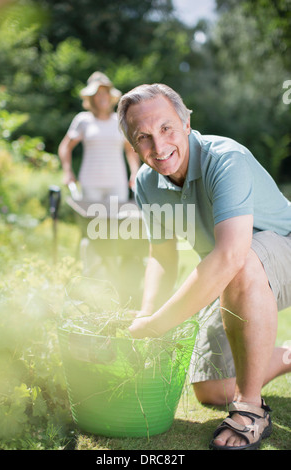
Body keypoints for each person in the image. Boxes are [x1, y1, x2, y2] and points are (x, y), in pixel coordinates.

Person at [117, 83, 291, 450]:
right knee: (212, 390)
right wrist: (149, 314)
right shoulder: (147, 184)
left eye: (166, 128)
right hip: (236, 277)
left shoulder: (226, 158)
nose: (159, 146)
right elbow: (162, 258)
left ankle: (251, 410)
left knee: (238, 261)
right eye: (143, 137)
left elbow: (230, 254)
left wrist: (159, 324)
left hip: (282, 251)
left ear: (186, 122)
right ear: (132, 145)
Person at [58, 71, 140, 202]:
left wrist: (135, 173)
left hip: (117, 183)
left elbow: (130, 150)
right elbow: (65, 147)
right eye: (97, 94)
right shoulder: (83, 120)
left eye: (105, 92)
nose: (102, 97)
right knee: (93, 222)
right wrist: (67, 172)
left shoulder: (120, 121)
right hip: (90, 184)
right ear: (91, 98)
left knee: (116, 222)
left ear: (110, 95)